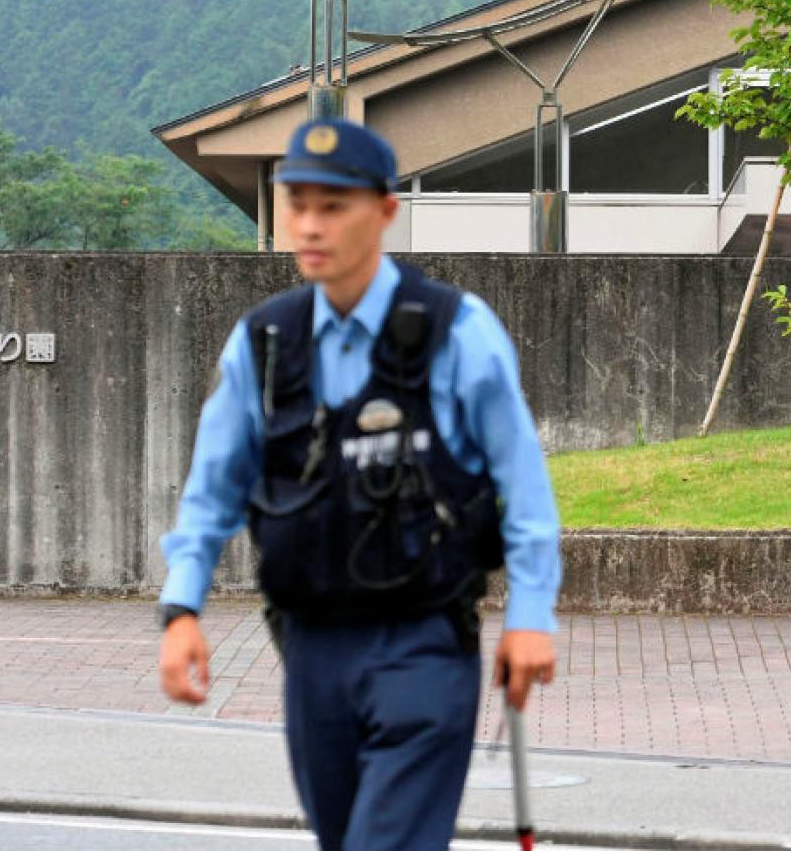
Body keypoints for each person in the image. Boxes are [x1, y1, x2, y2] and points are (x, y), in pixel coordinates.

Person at [157, 117, 561, 851]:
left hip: (425, 642)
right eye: (296, 203)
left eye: (332, 206)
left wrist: (531, 614)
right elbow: (214, 487)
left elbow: (524, 485)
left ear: (383, 211)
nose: (309, 225)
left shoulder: (456, 332)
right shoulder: (265, 344)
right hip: (311, 649)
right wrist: (182, 607)